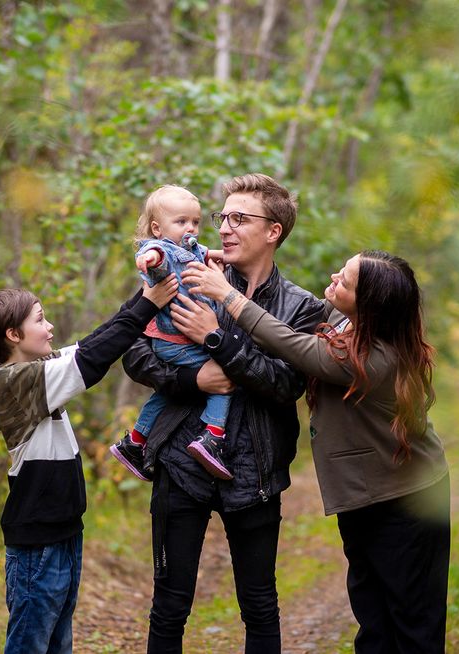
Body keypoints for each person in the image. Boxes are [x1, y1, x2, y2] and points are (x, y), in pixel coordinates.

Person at [183, 249, 451, 653]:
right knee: (372, 612)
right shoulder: (349, 321)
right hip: (366, 495)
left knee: (413, 619)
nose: (333, 279)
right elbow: (287, 306)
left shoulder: (373, 358)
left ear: (370, 306)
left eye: (344, 281)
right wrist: (240, 262)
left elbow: (289, 342)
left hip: (406, 499)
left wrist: (227, 297)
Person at [122, 173, 325, 653]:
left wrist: (217, 338)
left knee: (259, 605)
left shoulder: (299, 307)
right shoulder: (189, 270)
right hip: (181, 464)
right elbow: (135, 349)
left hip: (254, 472)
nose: (224, 228)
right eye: (222, 217)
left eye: (239, 218)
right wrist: (192, 379)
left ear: (273, 231)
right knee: (169, 605)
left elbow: (285, 384)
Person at [0, 276, 178, 654]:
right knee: (31, 643)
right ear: (14, 334)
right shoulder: (19, 382)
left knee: (58, 641)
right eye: (40, 319)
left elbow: (97, 340)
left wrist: (150, 290)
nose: (49, 328)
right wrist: (148, 304)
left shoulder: (40, 369)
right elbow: (94, 360)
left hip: (62, 532)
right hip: (38, 542)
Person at [110, 185, 234, 482]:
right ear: (157, 228)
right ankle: (213, 436)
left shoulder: (189, 249)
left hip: (173, 342)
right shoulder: (162, 249)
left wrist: (231, 259)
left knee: (163, 394)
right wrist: (149, 259)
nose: (190, 228)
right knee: (224, 377)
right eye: (181, 222)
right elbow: (154, 257)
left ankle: (135, 442)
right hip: (177, 341)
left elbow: (206, 252)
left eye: (195, 221)